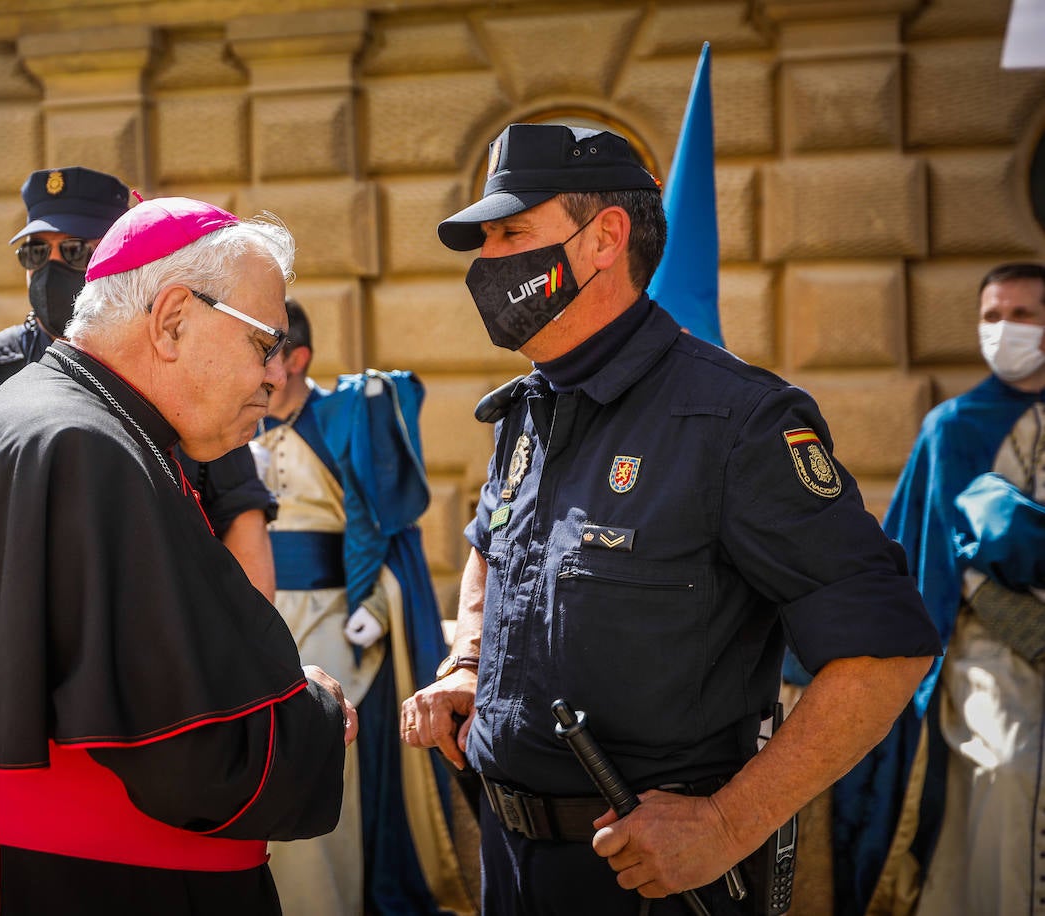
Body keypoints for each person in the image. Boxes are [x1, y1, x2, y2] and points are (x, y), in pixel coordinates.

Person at [398, 122, 942, 915]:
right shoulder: (529, 409)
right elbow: (492, 545)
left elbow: (886, 649)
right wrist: (467, 664)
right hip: (508, 861)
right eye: (484, 240)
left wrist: (728, 823)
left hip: (657, 882)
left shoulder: (737, 422)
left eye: (513, 232)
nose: (488, 263)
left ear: (604, 239)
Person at [0, 196, 355, 915]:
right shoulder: (89, 448)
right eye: (261, 343)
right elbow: (194, 758)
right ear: (173, 319)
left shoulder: (62, 417)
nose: (275, 376)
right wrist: (319, 713)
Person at [0, 166, 276, 597]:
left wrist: (247, 654)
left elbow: (240, 514)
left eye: (75, 251)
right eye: (35, 253)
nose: (50, 268)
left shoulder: (180, 371)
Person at [833, 262, 1045, 916]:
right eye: (992, 316)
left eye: (1023, 316)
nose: (1004, 330)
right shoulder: (952, 427)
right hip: (986, 654)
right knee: (1008, 773)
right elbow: (918, 552)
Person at [251, 301, 471, 915]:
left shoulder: (345, 414)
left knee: (325, 761)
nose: (256, 372)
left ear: (299, 360)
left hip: (336, 618)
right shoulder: (241, 422)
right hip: (262, 619)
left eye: (267, 354)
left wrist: (369, 600)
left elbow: (370, 519)